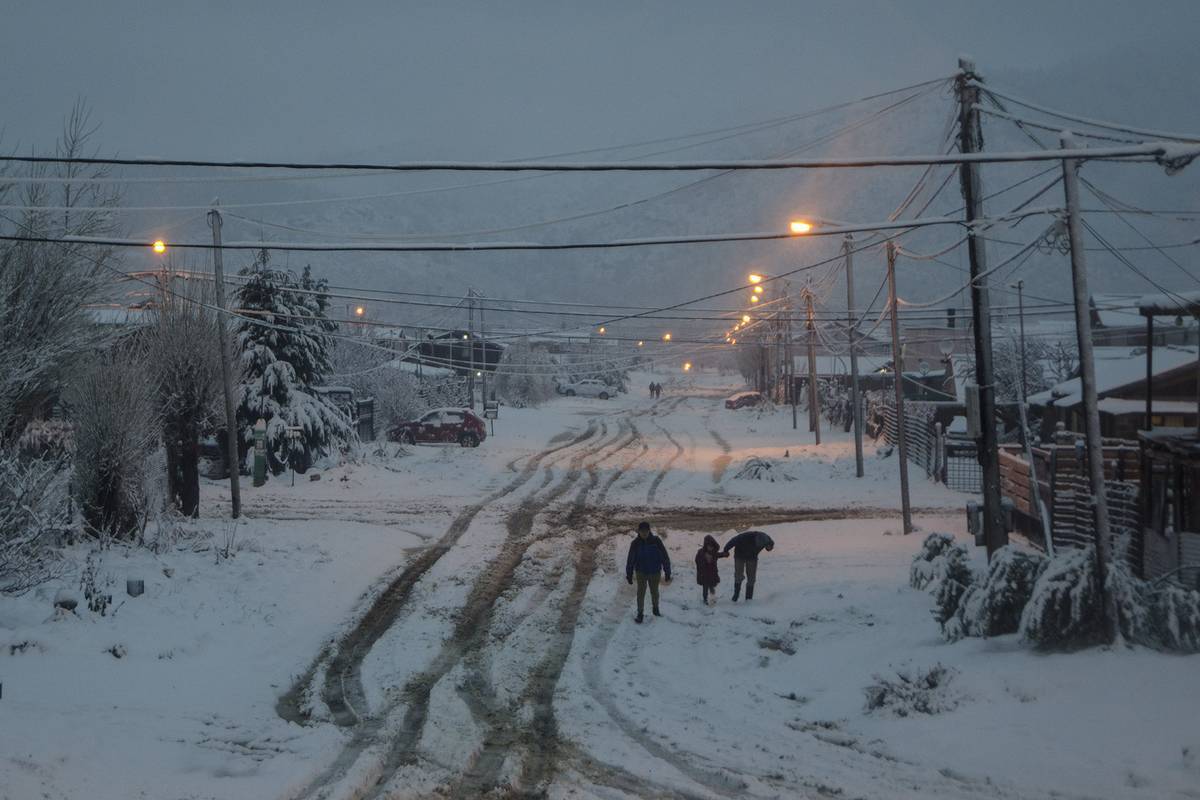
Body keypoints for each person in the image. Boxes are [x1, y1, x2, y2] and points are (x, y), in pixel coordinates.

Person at [625, 521, 672, 623]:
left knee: (654, 592)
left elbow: (664, 557)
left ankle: (656, 609)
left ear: (649, 531)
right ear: (639, 532)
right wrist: (629, 574)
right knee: (640, 593)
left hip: (654, 572)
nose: (644, 533)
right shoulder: (635, 543)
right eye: (642, 531)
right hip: (641, 572)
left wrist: (667, 572)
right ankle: (640, 613)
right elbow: (630, 560)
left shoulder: (656, 541)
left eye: (646, 531)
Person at [721, 530, 774, 601]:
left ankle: (748, 598)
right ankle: (736, 595)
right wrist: (726, 550)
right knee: (738, 575)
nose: (759, 547)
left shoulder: (767, 540)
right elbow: (733, 541)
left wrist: (769, 547)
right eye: (757, 545)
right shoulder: (745, 536)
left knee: (751, 578)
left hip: (752, 557)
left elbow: (770, 545)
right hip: (739, 555)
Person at [694, 534, 728, 606]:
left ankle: (712, 598)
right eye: (709, 546)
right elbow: (697, 561)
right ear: (706, 546)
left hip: (712, 574)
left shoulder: (714, 553)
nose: (710, 548)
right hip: (704, 574)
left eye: (712, 547)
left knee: (712, 586)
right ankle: (705, 599)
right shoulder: (701, 553)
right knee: (705, 588)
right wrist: (705, 560)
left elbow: (719, 555)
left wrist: (725, 554)